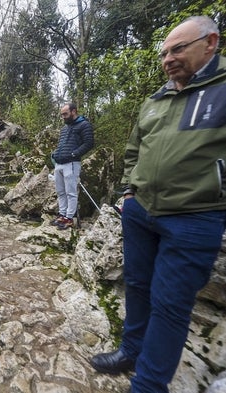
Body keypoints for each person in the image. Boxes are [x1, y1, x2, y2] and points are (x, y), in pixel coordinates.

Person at [90, 15, 226, 393]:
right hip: (140, 211)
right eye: (165, 52)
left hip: (194, 218)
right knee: (137, 285)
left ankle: (148, 385)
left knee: (170, 304)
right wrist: (129, 191)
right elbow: (134, 149)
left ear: (210, 43)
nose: (168, 58)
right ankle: (130, 351)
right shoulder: (155, 100)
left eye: (178, 48)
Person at [50, 103, 94, 230]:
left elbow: (89, 143)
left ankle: (69, 218)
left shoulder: (84, 125)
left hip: (72, 163)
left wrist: (74, 153)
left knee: (71, 193)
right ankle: (62, 215)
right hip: (59, 163)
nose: (63, 117)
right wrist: (55, 154)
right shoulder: (64, 128)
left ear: (74, 111)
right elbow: (62, 144)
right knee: (60, 192)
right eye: (62, 115)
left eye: (65, 114)